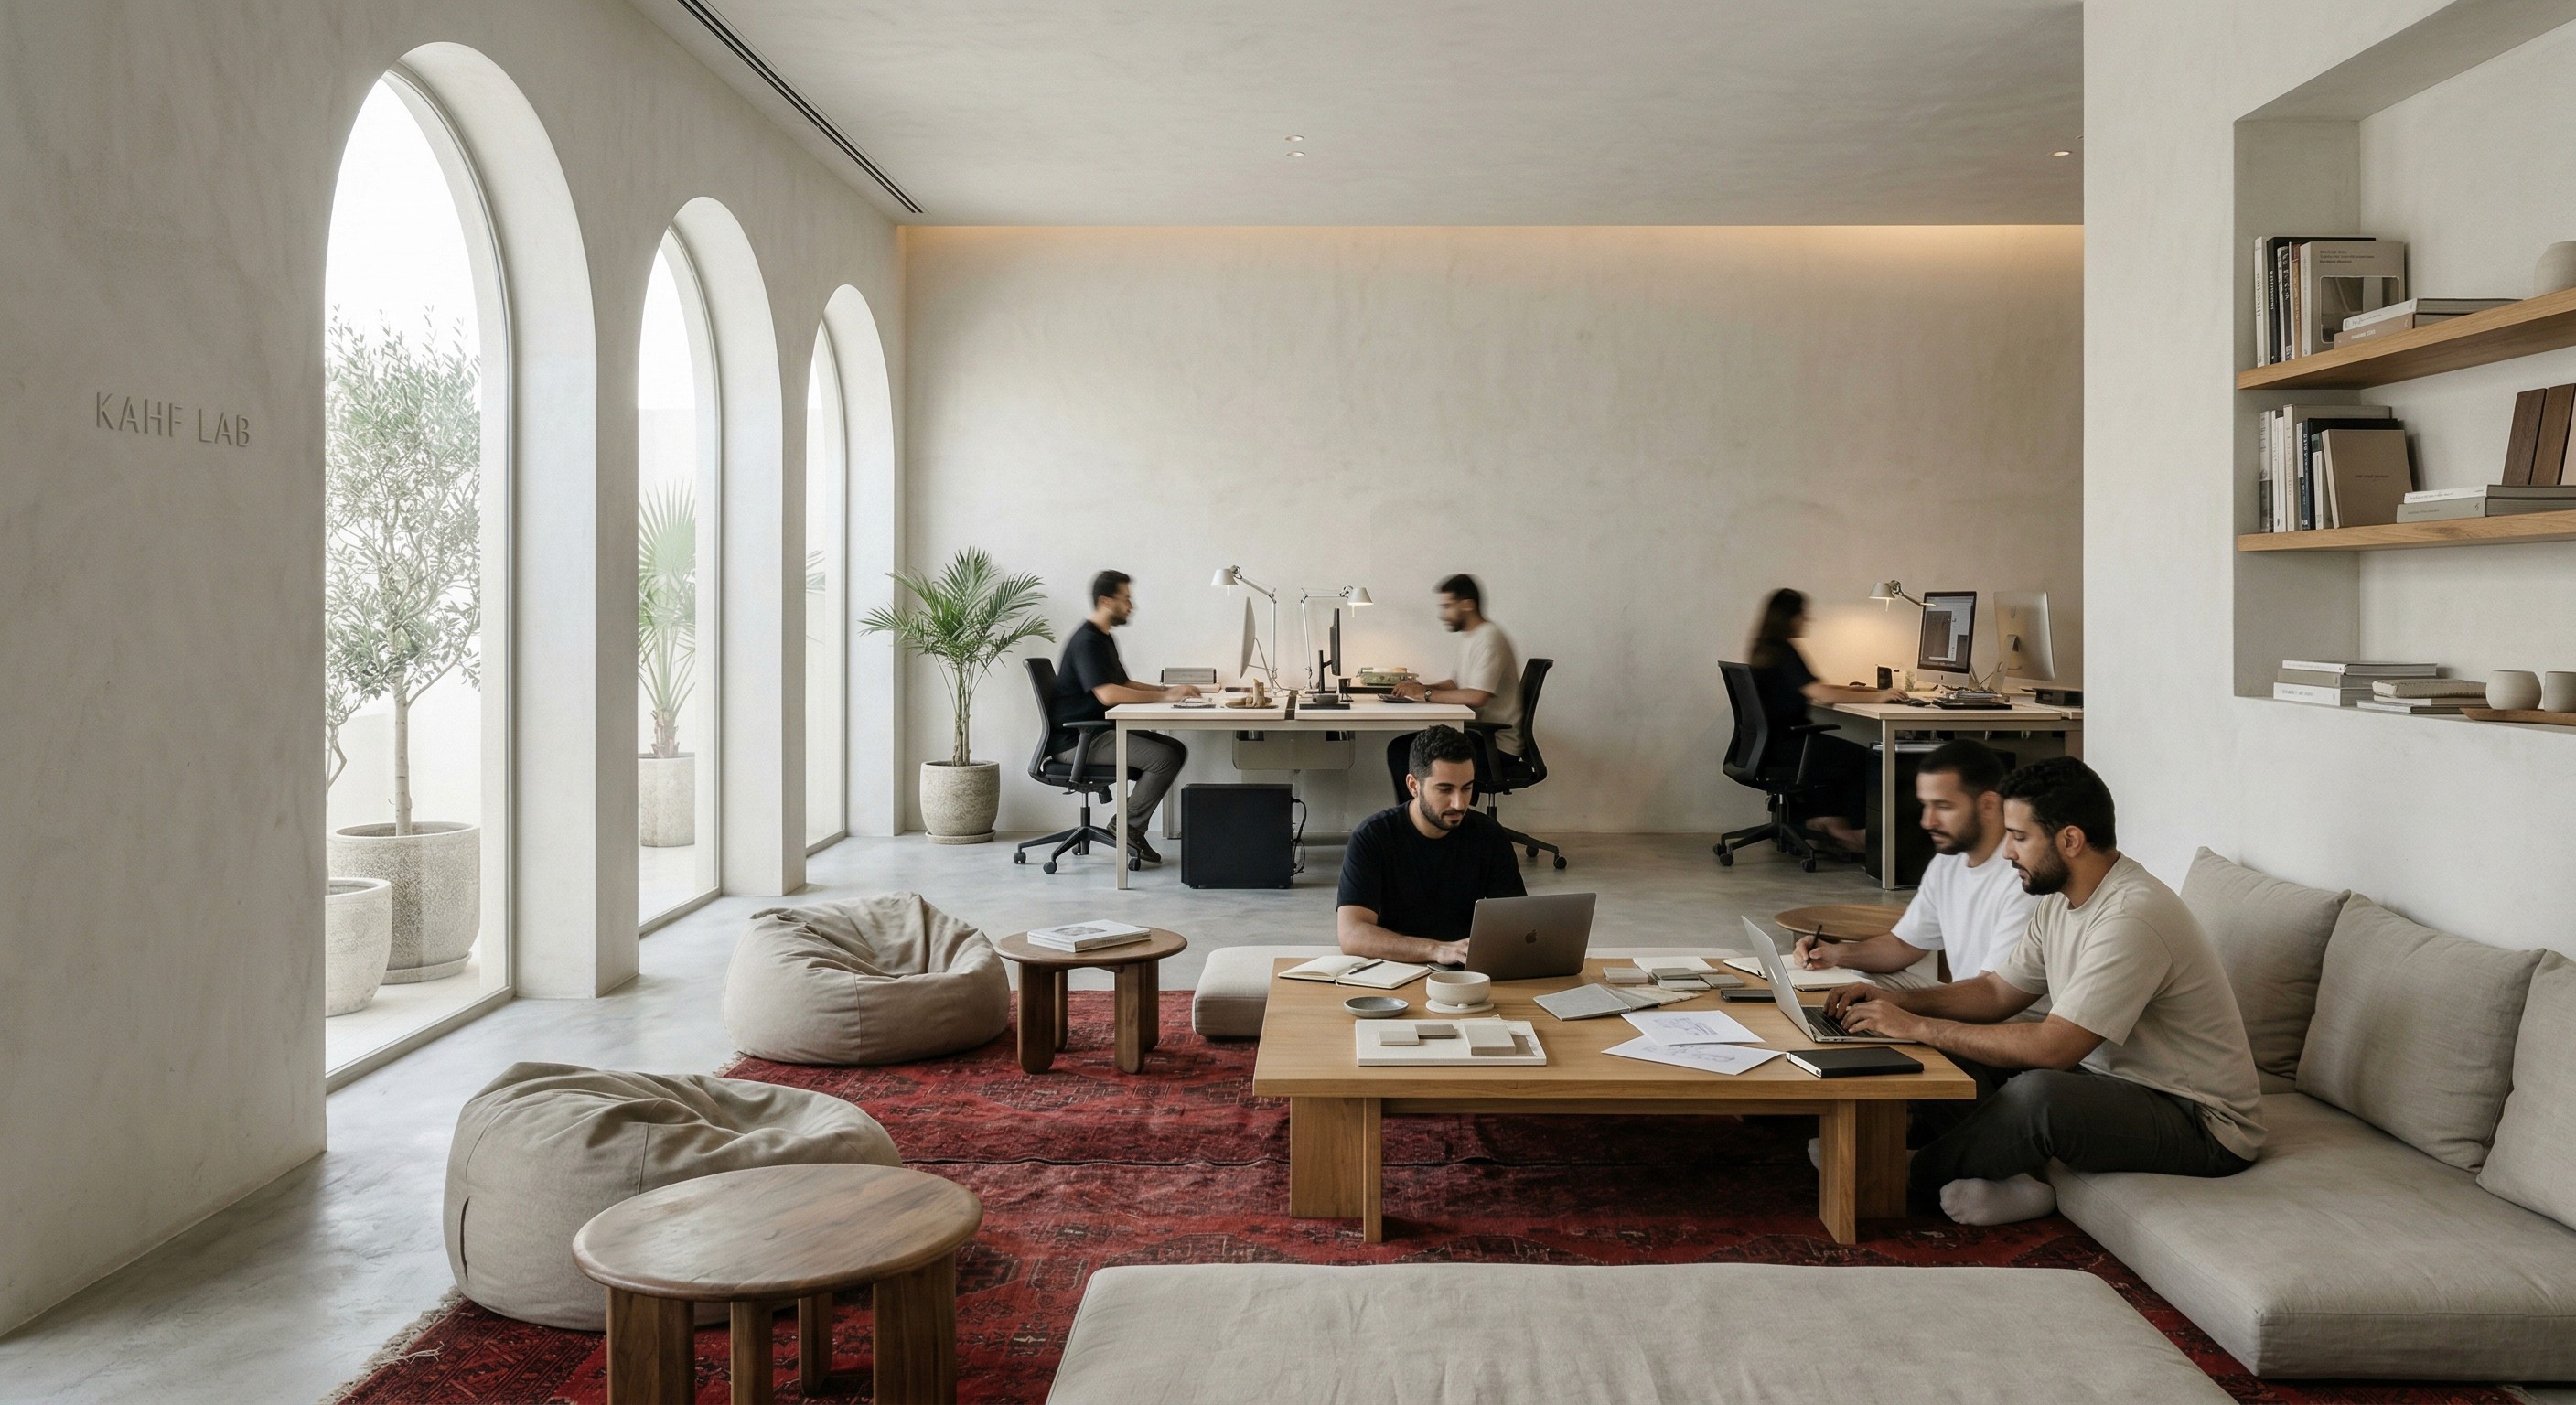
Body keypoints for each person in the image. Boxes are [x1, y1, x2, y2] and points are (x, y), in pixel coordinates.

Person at [1827, 756, 2264, 1226]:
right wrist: (1899, 1003)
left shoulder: (2131, 917)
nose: (2006, 853)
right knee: (1952, 1044)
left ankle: (1896, 1172)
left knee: (2039, 1095)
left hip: (2200, 1123)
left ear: (2070, 840)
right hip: (2112, 1084)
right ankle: (2011, 1179)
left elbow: (2054, 1048)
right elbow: (1996, 992)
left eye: (2019, 837)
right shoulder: (2060, 900)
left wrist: (1919, 1026)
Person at [1792, 739, 2037, 991]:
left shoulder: (2025, 876)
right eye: (1925, 805)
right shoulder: (1947, 862)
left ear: (1988, 804)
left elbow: (1993, 994)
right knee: (1861, 979)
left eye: (1943, 806)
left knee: (1865, 993)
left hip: (2002, 1008)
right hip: (1968, 997)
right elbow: (1903, 945)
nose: (1927, 821)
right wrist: (1835, 954)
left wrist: (1897, 1005)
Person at [1339, 725, 1527, 965]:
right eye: (1445, 789)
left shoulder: (1489, 835)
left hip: (1462, 968)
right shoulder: (1372, 837)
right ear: (1413, 785)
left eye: (1467, 788)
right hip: (1394, 966)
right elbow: (1352, 935)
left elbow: (1517, 922)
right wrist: (1436, 950)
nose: (1459, 803)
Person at [1048, 570, 1198, 864]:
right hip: (1077, 741)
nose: (1131, 606)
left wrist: (1168, 691)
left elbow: (1124, 684)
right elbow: (1108, 694)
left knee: (1175, 749)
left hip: (1095, 732)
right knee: (1164, 758)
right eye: (1125, 599)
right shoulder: (1087, 641)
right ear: (1106, 601)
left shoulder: (1103, 638)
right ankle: (1127, 827)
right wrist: (1165, 698)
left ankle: (1129, 824)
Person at [1744, 587, 1902, 852]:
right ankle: (1853, 834)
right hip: (1787, 747)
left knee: (1837, 755)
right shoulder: (1785, 652)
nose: (1807, 619)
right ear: (1789, 618)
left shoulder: (1766, 649)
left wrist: (1865, 691)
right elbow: (1822, 695)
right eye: (1803, 614)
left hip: (1767, 746)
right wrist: (1877, 699)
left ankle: (1825, 823)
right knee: (1865, 758)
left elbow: (1816, 686)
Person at [1384, 574, 1523, 804]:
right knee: (1401, 748)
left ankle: (1419, 821)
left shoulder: (1489, 639)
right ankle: (1420, 819)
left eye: (1448, 606)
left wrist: (1425, 694)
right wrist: (1419, 688)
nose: (1443, 614)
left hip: (1494, 744)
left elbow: (1478, 696)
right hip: (1477, 735)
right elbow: (1456, 684)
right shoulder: (1473, 637)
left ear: (1467, 604)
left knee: (1402, 752)